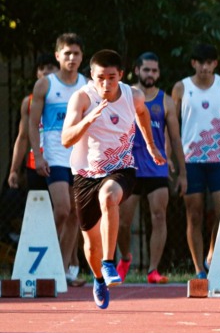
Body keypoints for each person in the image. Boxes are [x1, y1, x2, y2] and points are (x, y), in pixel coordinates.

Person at [61, 50, 165, 308]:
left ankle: (109, 263)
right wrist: (88, 120)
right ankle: (98, 277)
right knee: (90, 244)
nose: (106, 84)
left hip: (121, 168)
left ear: (121, 75)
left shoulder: (133, 95)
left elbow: (142, 113)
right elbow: (66, 140)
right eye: (100, 78)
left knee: (109, 197)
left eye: (111, 77)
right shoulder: (82, 98)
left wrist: (150, 146)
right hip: (86, 174)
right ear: (92, 77)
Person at [172, 43, 220, 279]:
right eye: (200, 62)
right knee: (194, 213)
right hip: (190, 160)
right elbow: (170, 126)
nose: (204, 67)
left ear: (215, 64)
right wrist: (171, 158)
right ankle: (199, 269)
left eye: (209, 63)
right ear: (193, 63)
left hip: (219, 157)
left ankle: (212, 253)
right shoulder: (181, 88)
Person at [116, 52, 185, 283]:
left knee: (158, 217)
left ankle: (153, 270)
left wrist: (182, 173)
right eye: (146, 70)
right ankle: (125, 258)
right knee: (123, 222)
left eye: (154, 70)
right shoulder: (124, 95)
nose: (150, 74)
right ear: (137, 71)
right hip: (130, 168)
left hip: (156, 168)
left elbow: (175, 139)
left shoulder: (165, 101)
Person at [28, 34, 89, 286]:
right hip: (54, 155)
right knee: (62, 208)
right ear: (57, 56)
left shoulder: (87, 85)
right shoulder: (45, 85)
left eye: (76, 53)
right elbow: (32, 124)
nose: (72, 58)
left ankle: (63, 270)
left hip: (80, 156)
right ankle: (47, 260)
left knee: (76, 213)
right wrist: (38, 155)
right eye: (67, 53)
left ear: (82, 57)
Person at [7, 53, 59, 192]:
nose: (45, 72)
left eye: (50, 67)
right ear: (37, 74)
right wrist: (14, 170)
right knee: (40, 211)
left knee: (65, 210)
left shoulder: (72, 98)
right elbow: (23, 137)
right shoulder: (28, 102)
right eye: (41, 68)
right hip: (36, 165)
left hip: (64, 163)